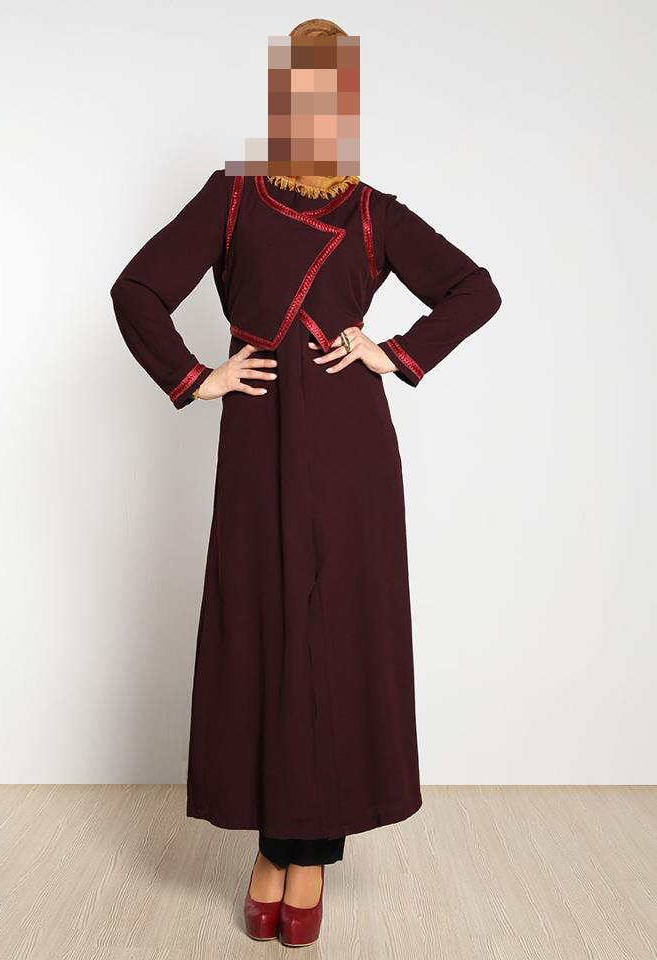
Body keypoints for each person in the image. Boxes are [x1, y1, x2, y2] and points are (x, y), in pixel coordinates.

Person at [110, 17, 501, 950]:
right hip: (256, 440)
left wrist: (392, 351)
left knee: (333, 643)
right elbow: (137, 291)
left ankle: (306, 858)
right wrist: (195, 375)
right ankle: (272, 848)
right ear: (281, 104)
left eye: (333, 98)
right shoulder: (232, 197)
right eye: (301, 96)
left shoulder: (371, 211)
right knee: (266, 630)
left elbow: (474, 289)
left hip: (349, 451)